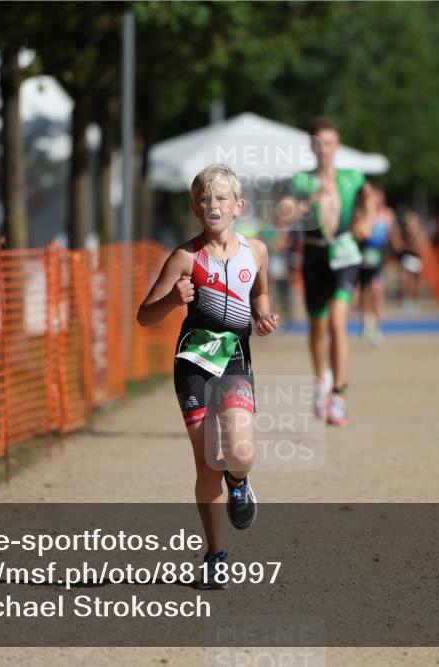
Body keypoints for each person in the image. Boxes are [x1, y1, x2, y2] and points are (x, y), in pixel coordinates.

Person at [137, 164, 278, 589]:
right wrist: (172, 302)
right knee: (205, 463)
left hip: (234, 357)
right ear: (195, 209)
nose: (211, 205)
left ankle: (241, 481)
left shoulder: (256, 252)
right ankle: (216, 554)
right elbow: (145, 316)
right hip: (193, 364)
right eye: (203, 199)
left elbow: (260, 290)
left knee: (238, 452)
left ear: (239, 206)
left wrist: (263, 315)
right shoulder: (184, 257)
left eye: (220, 198)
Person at [276, 116, 370, 425]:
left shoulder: (352, 177)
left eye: (330, 144)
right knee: (317, 326)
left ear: (338, 146)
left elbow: (369, 196)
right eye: (319, 144)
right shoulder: (302, 181)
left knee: (337, 324)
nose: (325, 150)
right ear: (312, 148)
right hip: (314, 255)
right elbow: (282, 216)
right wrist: (310, 199)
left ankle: (339, 394)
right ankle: (321, 383)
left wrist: (365, 220)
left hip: (345, 254)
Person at [357, 185, 400, 345]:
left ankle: (378, 325)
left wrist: (396, 248)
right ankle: (364, 323)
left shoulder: (388, 215)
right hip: (364, 254)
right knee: (364, 291)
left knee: (377, 290)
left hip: (379, 255)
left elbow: (393, 234)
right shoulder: (365, 213)